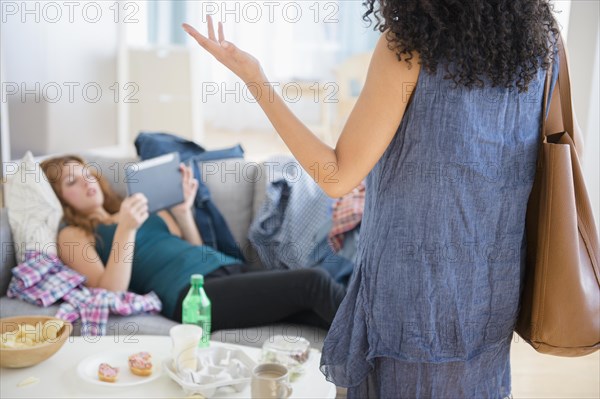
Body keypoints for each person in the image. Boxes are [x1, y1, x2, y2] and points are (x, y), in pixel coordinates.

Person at [182, 0, 561, 397]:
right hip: (491, 295)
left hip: (414, 298)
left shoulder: (411, 45)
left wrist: (254, 77)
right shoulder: (542, 43)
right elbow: (564, 152)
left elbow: (336, 177)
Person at [40, 155, 346, 331]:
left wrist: (184, 213)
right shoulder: (72, 234)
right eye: (72, 182)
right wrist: (125, 230)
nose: (86, 181)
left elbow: (192, 248)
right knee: (313, 283)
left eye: (86, 174)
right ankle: (383, 337)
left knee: (313, 310)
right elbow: (108, 292)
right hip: (189, 296)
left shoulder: (130, 207)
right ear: (58, 198)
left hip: (224, 270)